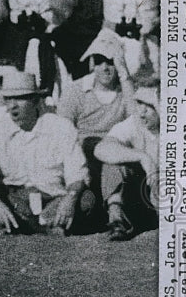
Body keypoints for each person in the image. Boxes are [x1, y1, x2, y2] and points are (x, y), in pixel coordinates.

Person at [0, 71, 95, 236]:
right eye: (8, 99)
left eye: (19, 98)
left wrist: (70, 199)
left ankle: (19, 226)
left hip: (53, 198)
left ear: (34, 100)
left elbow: (77, 173)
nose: (12, 106)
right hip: (16, 202)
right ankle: (33, 224)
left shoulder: (61, 127)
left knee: (86, 199)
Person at [57, 32, 134, 193]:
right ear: (92, 64)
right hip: (83, 151)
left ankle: (115, 210)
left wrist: (124, 75)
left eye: (110, 62)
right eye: (99, 62)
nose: (104, 68)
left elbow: (136, 121)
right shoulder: (76, 90)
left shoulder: (126, 90)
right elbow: (63, 131)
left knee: (112, 160)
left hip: (116, 151)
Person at [95, 85, 160, 241]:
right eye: (139, 103)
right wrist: (143, 157)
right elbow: (101, 149)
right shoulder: (134, 123)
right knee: (113, 162)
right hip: (139, 197)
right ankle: (117, 218)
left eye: (150, 105)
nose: (142, 111)